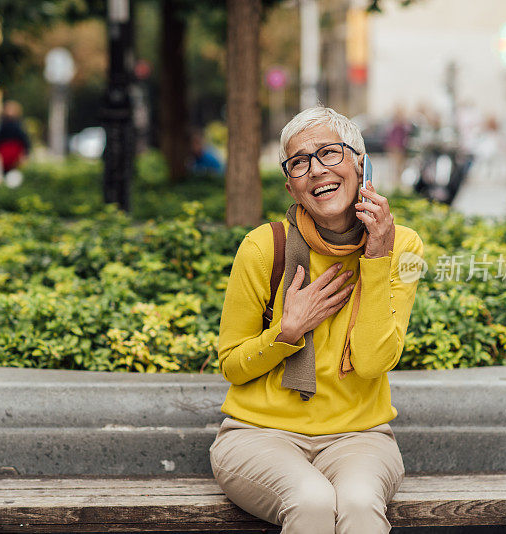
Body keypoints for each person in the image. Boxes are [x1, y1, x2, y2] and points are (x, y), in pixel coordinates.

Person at [210, 106, 424, 533]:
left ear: (361, 163)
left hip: (359, 437)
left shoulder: (405, 247)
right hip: (257, 435)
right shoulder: (261, 248)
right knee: (312, 501)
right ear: (291, 185)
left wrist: (377, 259)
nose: (316, 170)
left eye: (329, 152)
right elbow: (231, 364)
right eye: (300, 161)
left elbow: (373, 362)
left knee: (360, 504)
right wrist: (287, 332)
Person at [0, 100, 31, 176]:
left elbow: (24, 139)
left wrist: (26, 153)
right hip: (4, 151)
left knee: (15, 171)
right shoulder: (3, 124)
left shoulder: (19, 124)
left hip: (15, 151)